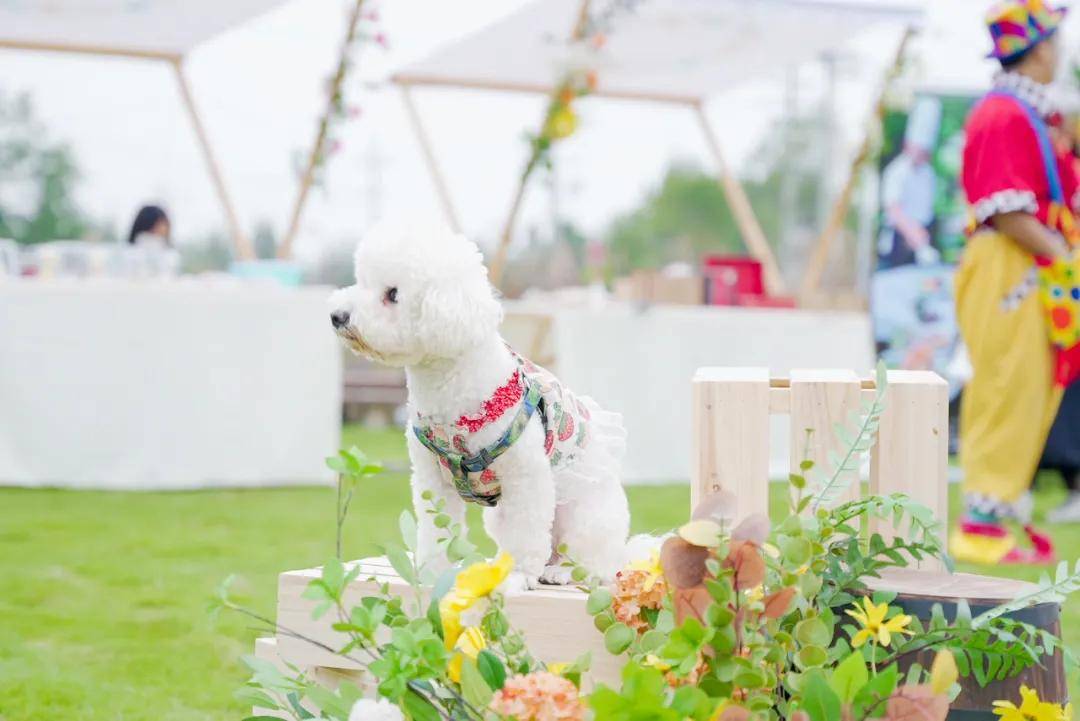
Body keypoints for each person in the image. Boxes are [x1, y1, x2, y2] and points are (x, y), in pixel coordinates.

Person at [952, 0, 1078, 565]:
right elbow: (1007, 210)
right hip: (1012, 262)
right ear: (1043, 48)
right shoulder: (1004, 115)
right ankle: (980, 526)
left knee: (1029, 387)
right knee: (1005, 386)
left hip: (1028, 263)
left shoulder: (1030, 114)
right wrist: (1064, 259)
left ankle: (1002, 515)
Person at [878, 96, 943, 269]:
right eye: (919, 150)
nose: (922, 155)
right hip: (897, 242)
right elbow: (894, 210)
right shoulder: (896, 171)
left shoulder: (928, 173)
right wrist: (914, 235)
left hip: (922, 238)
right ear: (907, 145)